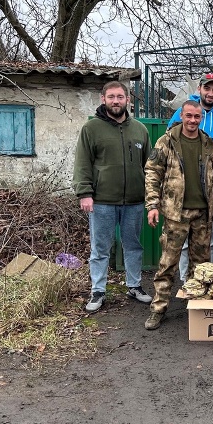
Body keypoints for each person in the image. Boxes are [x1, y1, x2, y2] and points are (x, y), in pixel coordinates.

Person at [73, 81, 153, 312]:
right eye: (111, 97)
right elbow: (82, 163)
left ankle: (134, 285)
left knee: (133, 245)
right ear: (103, 99)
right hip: (102, 200)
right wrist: (85, 193)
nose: (116, 101)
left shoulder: (140, 129)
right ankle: (98, 290)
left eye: (120, 97)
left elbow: (150, 166)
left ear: (128, 100)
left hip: (134, 201)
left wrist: (151, 195)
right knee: (100, 248)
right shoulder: (92, 129)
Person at [144, 100, 213, 329]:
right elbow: (152, 173)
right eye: (188, 116)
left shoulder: (209, 144)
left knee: (201, 266)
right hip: (175, 214)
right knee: (168, 264)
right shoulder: (167, 141)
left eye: (196, 117)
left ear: (200, 118)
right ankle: (158, 309)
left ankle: (196, 308)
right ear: (182, 115)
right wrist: (152, 205)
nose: (192, 120)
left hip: (202, 215)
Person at [167, 73, 213, 278]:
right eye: (207, 88)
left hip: (212, 190)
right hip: (187, 188)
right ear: (200, 89)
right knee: (185, 243)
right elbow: (169, 145)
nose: (210, 93)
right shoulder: (183, 111)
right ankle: (187, 281)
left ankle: (210, 278)